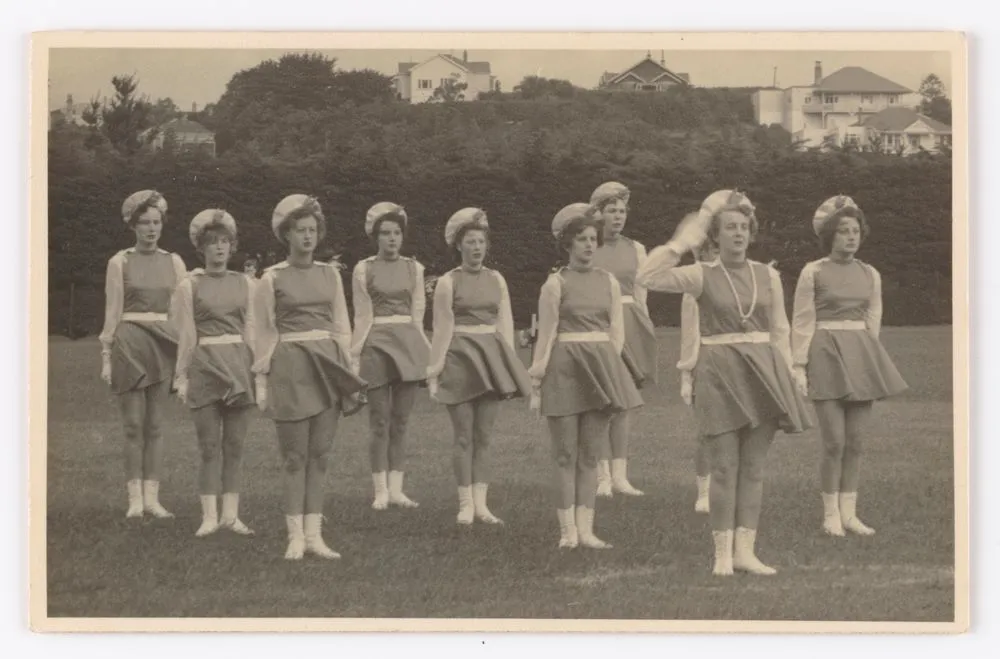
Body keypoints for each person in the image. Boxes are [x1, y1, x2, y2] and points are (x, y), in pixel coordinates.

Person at [636, 190, 813, 576]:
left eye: (744, 227)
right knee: (723, 468)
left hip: (764, 372)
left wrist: (790, 375)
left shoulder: (769, 275)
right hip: (718, 372)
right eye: (729, 227)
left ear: (752, 233)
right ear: (714, 236)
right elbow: (646, 276)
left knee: (753, 468)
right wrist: (685, 241)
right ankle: (721, 557)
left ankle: (745, 553)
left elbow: (780, 330)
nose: (738, 234)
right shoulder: (701, 274)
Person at [251, 194, 368, 560]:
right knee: (293, 457)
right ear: (286, 235)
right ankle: (295, 537)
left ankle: (315, 535)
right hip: (290, 365)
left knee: (319, 455)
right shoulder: (270, 279)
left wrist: (348, 368)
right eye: (300, 231)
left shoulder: (330, 273)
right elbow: (261, 331)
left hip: (327, 366)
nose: (307, 237)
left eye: (312, 230)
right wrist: (262, 378)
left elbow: (342, 326)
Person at [791, 195, 908, 537]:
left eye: (855, 231)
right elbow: (802, 320)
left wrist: (869, 359)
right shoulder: (813, 271)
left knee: (856, 442)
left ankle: (849, 514)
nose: (850, 237)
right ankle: (830, 515)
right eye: (843, 231)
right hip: (825, 352)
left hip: (860, 354)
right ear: (830, 236)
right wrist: (799, 364)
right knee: (834, 442)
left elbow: (874, 318)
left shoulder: (870, 273)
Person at [528, 203, 643, 549]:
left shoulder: (608, 282)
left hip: (600, 367)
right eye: (582, 239)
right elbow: (546, 335)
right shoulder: (555, 283)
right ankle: (568, 533)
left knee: (591, 455)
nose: (590, 245)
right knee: (565, 454)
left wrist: (610, 367)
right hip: (564, 368)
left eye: (593, 238)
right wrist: (537, 381)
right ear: (568, 244)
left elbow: (617, 332)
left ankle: (587, 530)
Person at [426, 208, 533, 525]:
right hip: (460, 359)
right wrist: (435, 372)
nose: (476, 248)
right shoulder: (448, 282)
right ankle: (465, 505)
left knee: (484, 436)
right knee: (463, 436)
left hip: (490, 358)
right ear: (459, 246)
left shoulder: (497, 279)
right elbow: (442, 328)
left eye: (480, 242)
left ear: (487, 246)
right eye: (470, 242)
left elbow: (505, 322)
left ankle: (482, 505)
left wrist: (508, 366)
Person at [100, 190, 187, 520]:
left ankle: (153, 498)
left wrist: (183, 357)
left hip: (163, 343)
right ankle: (135, 499)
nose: (151, 229)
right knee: (133, 426)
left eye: (156, 222)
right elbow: (113, 310)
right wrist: (107, 354)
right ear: (132, 226)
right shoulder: (119, 261)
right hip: (130, 342)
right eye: (144, 223)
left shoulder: (174, 261)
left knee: (155, 426)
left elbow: (181, 311)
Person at [170, 209, 256, 537]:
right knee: (208, 446)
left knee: (234, 445)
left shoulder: (246, 283)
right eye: (212, 243)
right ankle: (208, 516)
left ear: (232, 247)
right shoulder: (189, 286)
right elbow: (187, 334)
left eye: (225, 242)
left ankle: (231, 516)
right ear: (201, 249)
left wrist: (256, 372)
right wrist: (182, 376)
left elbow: (251, 331)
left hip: (238, 365)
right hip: (204, 366)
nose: (219, 248)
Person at [351, 202, 429, 511]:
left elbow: (418, 312)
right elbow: (361, 315)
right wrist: (356, 354)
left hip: (408, 343)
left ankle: (397, 490)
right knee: (379, 421)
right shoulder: (363, 268)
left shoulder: (415, 268)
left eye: (397, 233)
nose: (392, 239)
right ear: (375, 236)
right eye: (385, 233)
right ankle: (380, 490)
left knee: (401, 421)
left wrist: (425, 350)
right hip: (376, 345)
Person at [589, 181, 655, 498]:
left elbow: (640, 294)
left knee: (625, 404)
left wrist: (644, 328)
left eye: (622, 211)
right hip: (599, 326)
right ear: (598, 213)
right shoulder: (589, 245)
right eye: (611, 211)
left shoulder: (636, 249)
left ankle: (620, 475)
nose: (618, 217)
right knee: (603, 401)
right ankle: (601, 476)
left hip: (630, 325)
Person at [678, 241, 721, 514]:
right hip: (706, 363)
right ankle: (704, 492)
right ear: (701, 255)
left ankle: (729, 486)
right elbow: (689, 335)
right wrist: (686, 374)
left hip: (739, 364)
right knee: (708, 431)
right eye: (713, 251)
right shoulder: (694, 288)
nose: (718, 256)